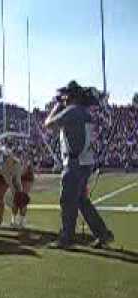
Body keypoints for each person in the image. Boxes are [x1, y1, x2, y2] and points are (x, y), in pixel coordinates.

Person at [44, 81, 114, 249]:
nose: (64, 98)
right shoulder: (83, 112)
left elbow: (49, 125)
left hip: (75, 163)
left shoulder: (72, 111)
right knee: (82, 201)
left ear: (71, 96)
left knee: (68, 200)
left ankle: (66, 237)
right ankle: (103, 233)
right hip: (84, 161)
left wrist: (57, 106)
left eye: (66, 96)